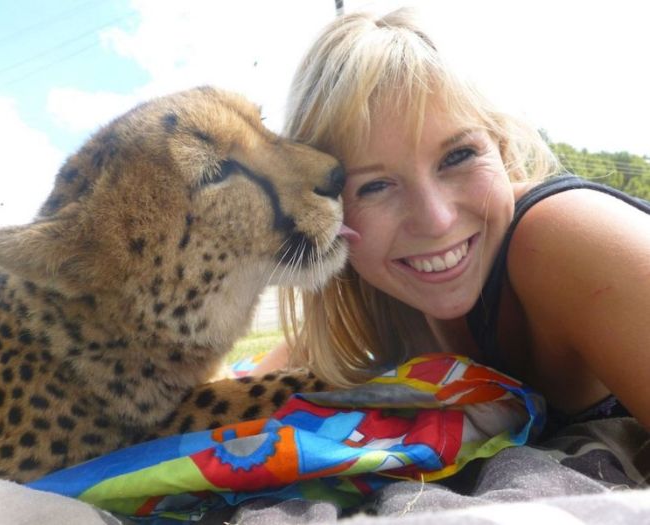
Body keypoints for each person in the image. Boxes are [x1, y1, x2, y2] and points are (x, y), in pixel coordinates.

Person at [253, 7, 650, 432]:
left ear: (500, 146)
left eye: (458, 156)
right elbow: (259, 378)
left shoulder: (565, 239)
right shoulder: (376, 299)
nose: (437, 220)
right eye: (374, 187)